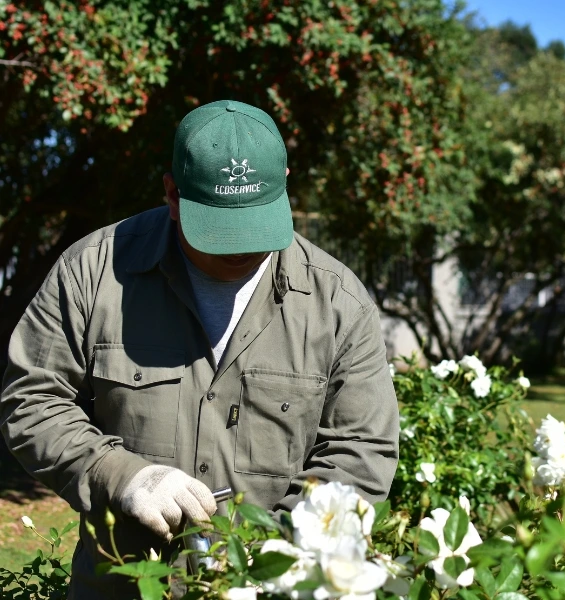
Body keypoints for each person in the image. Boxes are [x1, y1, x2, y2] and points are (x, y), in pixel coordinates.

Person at [0, 100, 400, 598]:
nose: (240, 250)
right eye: (219, 232)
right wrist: (121, 476)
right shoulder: (92, 273)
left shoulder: (337, 302)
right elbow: (31, 401)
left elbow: (362, 451)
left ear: (286, 185)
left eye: (254, 228)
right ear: (172, 193)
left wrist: (272, 560)